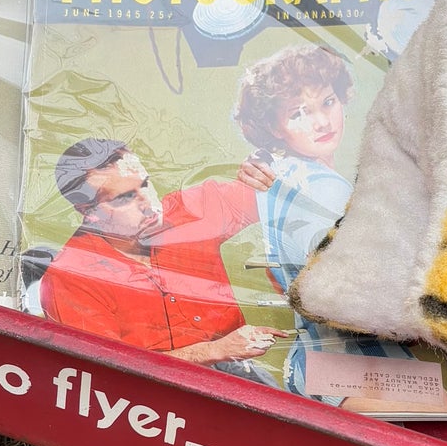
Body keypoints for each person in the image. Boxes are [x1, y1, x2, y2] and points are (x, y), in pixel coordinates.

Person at [233, 46, 447, 412]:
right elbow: (350, 286)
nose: (322, 121)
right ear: (274, 127)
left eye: (327, 102)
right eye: (298, 113)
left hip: (327, 363)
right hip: (347, 364)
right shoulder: (321, 187)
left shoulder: (285, 177)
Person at [38, 138, 285, 368]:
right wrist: (211, 351)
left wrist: (263, 168)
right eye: (125, 198)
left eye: (145, 184)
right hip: (147, 402)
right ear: (88, 212)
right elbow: (106, 370)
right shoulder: (70, 278)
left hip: (241, 371)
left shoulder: (187, 211)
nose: (149, 204)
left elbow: (272, 190)